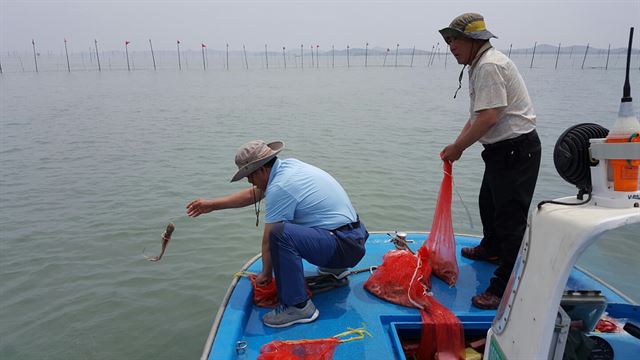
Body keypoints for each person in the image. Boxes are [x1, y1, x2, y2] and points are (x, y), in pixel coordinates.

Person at [186, 140, 368, 327]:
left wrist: (265, 274)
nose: (249, 181)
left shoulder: (280, 187)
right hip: (354, 238)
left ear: (261, 170)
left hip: (342, 248)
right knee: (292, 228)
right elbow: (254, 194)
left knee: (281, 234)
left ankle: (298, 307)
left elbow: (269, 239)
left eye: (250, 176)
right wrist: (212, 205)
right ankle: (334, 269)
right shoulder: (288, 167)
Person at [438, 13, 541, 309]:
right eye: (448, 40)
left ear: (473, 40)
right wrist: (455, 146)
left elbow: (490, 117)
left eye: (454, 39)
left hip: (516, 150)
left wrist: (458, 149)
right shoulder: (479, 64)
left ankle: (503, 287)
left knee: (510, 221)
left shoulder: (489, 66)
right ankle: (491, 248)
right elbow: (477, 117)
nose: (450, 46)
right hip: (501, 151)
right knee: (489, 204)